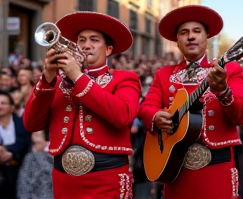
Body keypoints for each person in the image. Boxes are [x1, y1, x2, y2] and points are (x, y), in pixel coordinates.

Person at [23, 11, 141, 199]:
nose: (86, 46)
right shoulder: (58, 83)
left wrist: (78, 77)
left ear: (109, 49)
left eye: (94, 40)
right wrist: (47, 79)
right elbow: (31, 123)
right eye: (81, 40)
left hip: (106, 179)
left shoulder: (125, 78)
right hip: (64, 180)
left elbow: (123, 116)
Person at [138, 5, 243, 199]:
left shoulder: (229, 70)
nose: (191, 36)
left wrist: (223, 91)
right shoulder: (163, 74)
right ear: (177, 42)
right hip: (175, 169)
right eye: (184, 32)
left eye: (197, 31)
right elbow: (145, 108)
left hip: (217, 168)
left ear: (207, 38)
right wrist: (156, 116)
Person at [0, 90, 31, 199]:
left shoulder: (21, 125)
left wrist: (10, 153)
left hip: (19, 168)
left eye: (3, 103)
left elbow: (24, 144)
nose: (0, 106)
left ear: (12, 108)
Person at [17, 130, 54, 199]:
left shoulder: (55, 158)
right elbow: (23, 185)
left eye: (37, 135)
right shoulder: (29, 158)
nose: (34, 139)